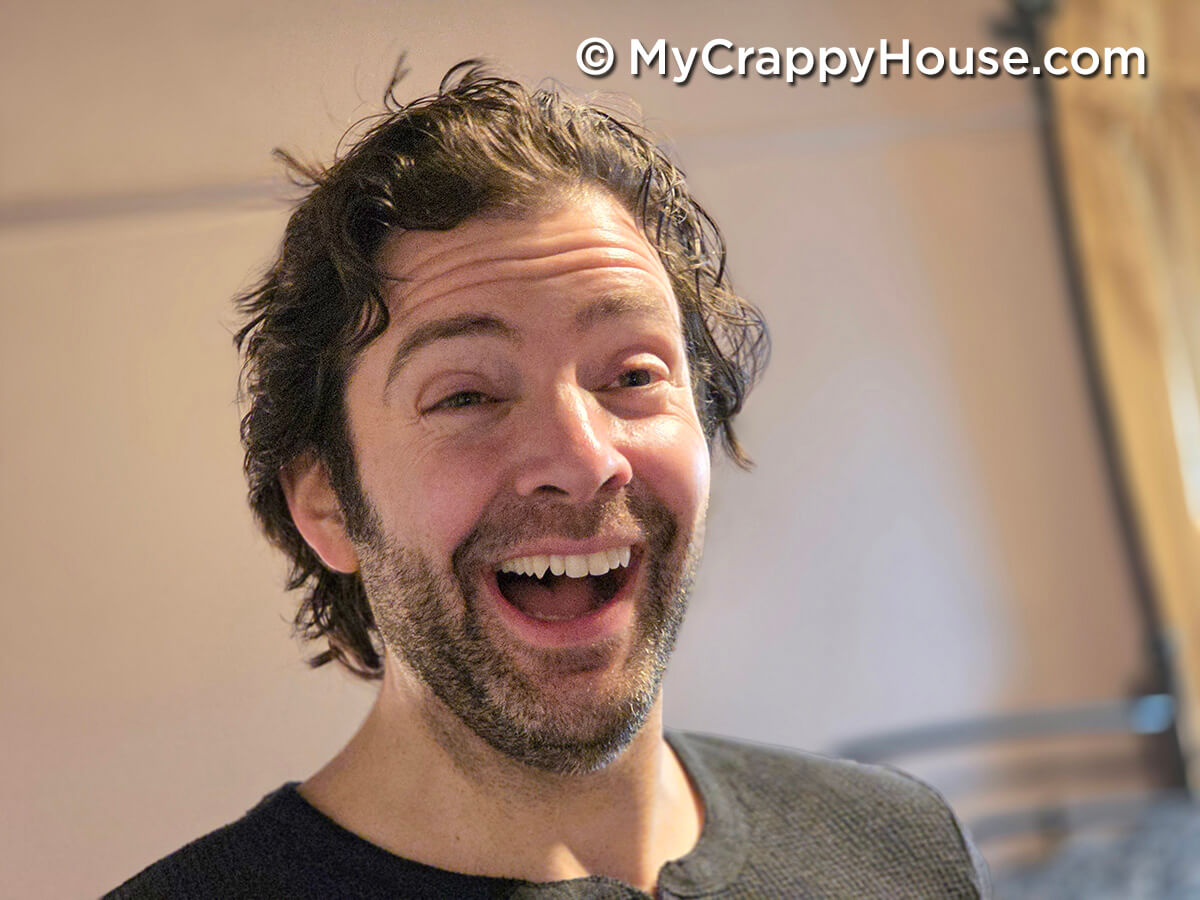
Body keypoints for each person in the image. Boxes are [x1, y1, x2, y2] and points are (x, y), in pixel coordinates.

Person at [107, 60, 990, 899]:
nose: (581, 458)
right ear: (328, 505)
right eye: (465, 394)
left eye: (634, 375)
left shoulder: (897, 846)